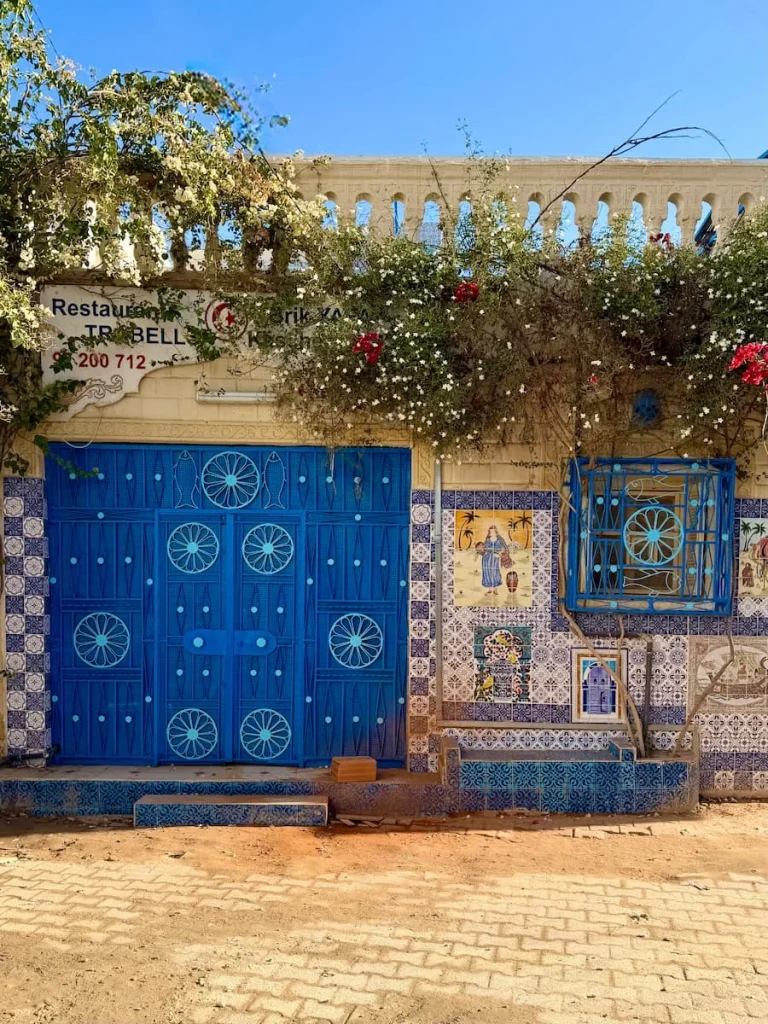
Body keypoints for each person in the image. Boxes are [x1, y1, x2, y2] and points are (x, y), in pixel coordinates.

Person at [481, 525, 507, 596]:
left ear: (496, 531)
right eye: (490, 531)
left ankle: (495, 589)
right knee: (487, 572)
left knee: (495, 572)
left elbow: (505, 548)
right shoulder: (487, 539)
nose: (492, 533)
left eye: (493, 531)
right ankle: (490, 589)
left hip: (495, 558)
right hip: (486, 558)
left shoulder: (500, 539)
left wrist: (499, 553)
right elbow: (484, 548)